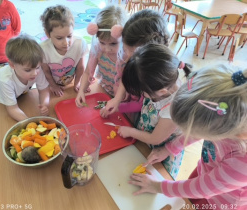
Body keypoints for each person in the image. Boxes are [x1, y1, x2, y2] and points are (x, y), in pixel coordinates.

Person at [129, 64, 247, 209]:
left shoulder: (243, 164)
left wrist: (157, 186)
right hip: (204, 172)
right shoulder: (226, 122)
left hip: (224, 202)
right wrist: (169, 149)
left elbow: (201, 188)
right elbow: (196, 132)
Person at [117, 43, 192, 179]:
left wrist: (130, 131)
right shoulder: (160, 83)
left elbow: (155, 139)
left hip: (161, 152)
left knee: (155, 178)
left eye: (143, 92)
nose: (141, 95)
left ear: (161, 91)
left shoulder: (172, 109)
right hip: (146, 141)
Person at [100, 9, 170, 119]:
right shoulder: (136, 60)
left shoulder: (153, 77)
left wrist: (119, 107)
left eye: (130, 53)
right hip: (127, 107)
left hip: (141, 115)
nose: (126, 57)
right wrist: (117, 99)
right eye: (124, 49)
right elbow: (125, 75)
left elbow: (140, 105)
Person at [0, 34, 50, 121]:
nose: (35, 73)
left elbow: (44, 90)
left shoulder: (35, 69)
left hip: (19, 91)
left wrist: (44, 104)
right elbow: (12, 109)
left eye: (38, 67)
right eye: (28, 70)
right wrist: (30, 123)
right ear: (12, 65)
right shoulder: (5, 81)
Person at [75, 5, 126, 106]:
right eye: (102, 42)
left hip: (124, 98)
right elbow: (88, 72)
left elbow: (126, 84)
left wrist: (116, 100)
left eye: (113, 44)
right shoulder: (97, 50)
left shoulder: (126, 57)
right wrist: (81, 90)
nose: (107, 49)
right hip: (104, 89)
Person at [40, 5, 88, 97]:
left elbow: (81, 67)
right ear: (47, 34)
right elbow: (45, 71)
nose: (66, 43)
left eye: (69, 36)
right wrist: (53, 86)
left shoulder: (80, 44)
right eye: (59, 38)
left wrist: (77, 83)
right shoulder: (43, 49)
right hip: (51, 84)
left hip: (70, 82)